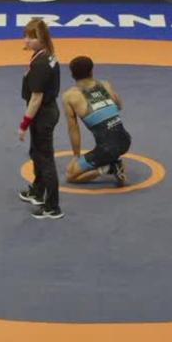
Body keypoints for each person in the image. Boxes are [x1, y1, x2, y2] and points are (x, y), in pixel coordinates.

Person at [17, 18, 63, 220]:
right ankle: (37, 191)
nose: (26, 40)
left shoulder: (41, 64)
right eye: (25, 36)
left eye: (31, 37)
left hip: (42, 115)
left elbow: (36, 98)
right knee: (36, 153)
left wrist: (24, 124)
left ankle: (52, 207)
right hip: (46, 112)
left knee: (45, 160)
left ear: (41, 39)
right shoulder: (46, 56)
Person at [62, 56, 130, 187]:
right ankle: (112, 161)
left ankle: (109, 168)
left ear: (72, 75)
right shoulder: (105, 84)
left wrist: (76, 156)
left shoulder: (69, 96)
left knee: (71, 175)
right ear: (92, 71)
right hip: (125, 141)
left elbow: (73, 129)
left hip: (106, 150)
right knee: (109, 143)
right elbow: (119, 106)